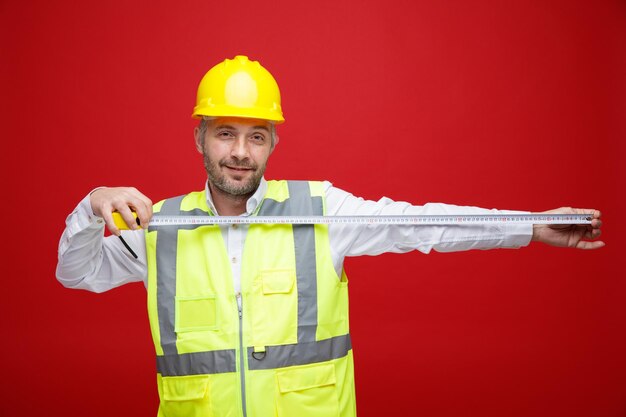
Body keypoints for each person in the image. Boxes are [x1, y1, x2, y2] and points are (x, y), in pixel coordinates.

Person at [56, 55, 604, 417]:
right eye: (225, 133)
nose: (241, 152)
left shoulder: (321, 209)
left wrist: (527, 225)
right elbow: (75, 272)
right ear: (200, 136)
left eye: (257, 136)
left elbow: (419, 223)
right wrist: (91, 205)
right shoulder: (160, 225)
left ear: (274, 142)